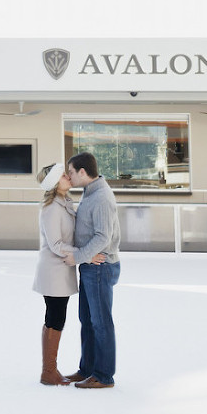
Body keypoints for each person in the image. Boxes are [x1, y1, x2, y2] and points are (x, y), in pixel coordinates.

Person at [32, 162, 105, 386]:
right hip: (53, 271)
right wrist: (86, 254)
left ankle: (50, 370)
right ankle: (48, 372)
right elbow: (55, 244)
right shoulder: (52, 208)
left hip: (62, 270)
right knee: (55, 317)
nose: (68, 177)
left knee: (57, 317)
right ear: (55, 183)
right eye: (63, 175)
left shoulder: (64, 202)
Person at [64, 151, 121, 390]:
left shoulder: (101, 197)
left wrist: (77, 257)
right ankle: (87, 369)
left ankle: (104, 375)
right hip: (90, 266)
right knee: (86, 320)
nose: (69, 177)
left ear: (83, 172)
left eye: (71, 173)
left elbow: (102, 237)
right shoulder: (90, 192)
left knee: (100, 322)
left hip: (100, 267)